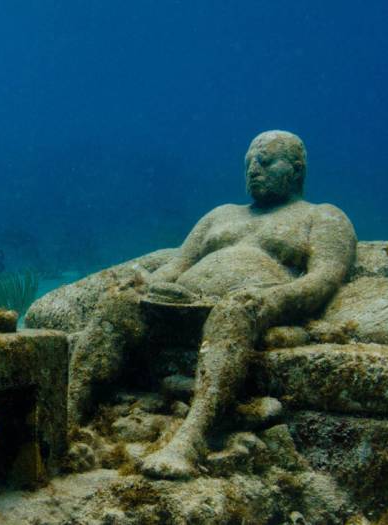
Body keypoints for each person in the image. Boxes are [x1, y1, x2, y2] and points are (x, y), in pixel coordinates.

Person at [67, 130, 357, 479]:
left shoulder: (322, 216)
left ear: (297, 169)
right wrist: (144, 287)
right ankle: (65, 418)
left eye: (265, 161)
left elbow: (324, 278)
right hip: (183, 304)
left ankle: (191, 439)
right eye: (249, 162)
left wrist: (271, 298)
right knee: (118, 302)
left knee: (233, 311)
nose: (253, 169)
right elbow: (176, 266)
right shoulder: (221, 215)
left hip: (252, 307)